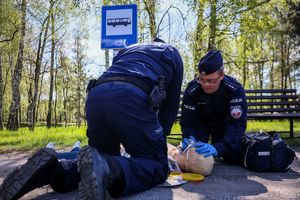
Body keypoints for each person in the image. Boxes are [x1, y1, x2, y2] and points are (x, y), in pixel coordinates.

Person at [0, 38, 184, 200]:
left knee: (97, 161)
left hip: (96, 97)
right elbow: (170, 108)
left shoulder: (129, 49)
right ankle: (108, 167)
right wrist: (159, 143)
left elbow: (116, 75)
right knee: (157, 166)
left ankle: (54, 170)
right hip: (132, 97)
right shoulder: (171, 52)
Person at [180, 50, 247, 164]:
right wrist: (189, 137)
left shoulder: (234, 90)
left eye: (211, 81)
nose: (205, 84)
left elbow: (237, 125)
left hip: (224, 125)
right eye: (201, 79)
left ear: (221, 75)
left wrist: (219, 147)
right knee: (197, 155)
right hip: (201, 125)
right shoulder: (192, 90)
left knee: (232, 157)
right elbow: (188, 121)